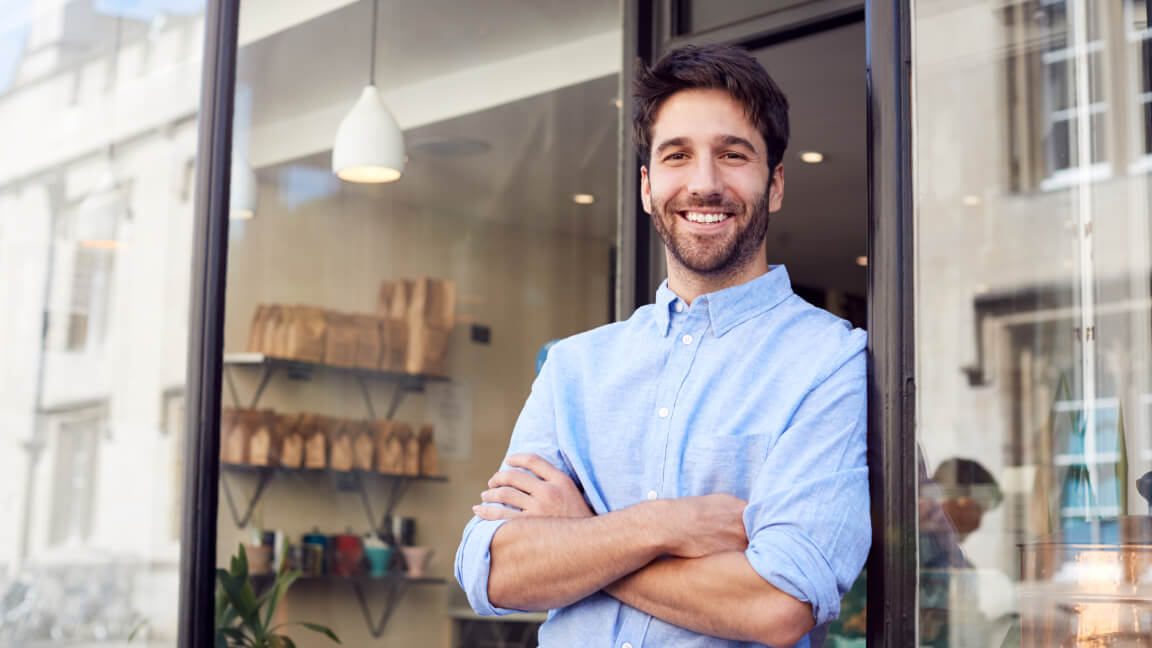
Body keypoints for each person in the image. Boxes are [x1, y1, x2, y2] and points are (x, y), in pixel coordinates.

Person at [455, 44, 870, 648]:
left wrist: (583, 535)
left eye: (733, 155)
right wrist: (661, 526)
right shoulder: (573, 367)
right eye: (678, 156)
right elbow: (494, 569)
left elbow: (778, 604)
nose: (704, 183)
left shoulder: (828, 361)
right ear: (648, 186)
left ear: (775, 184)